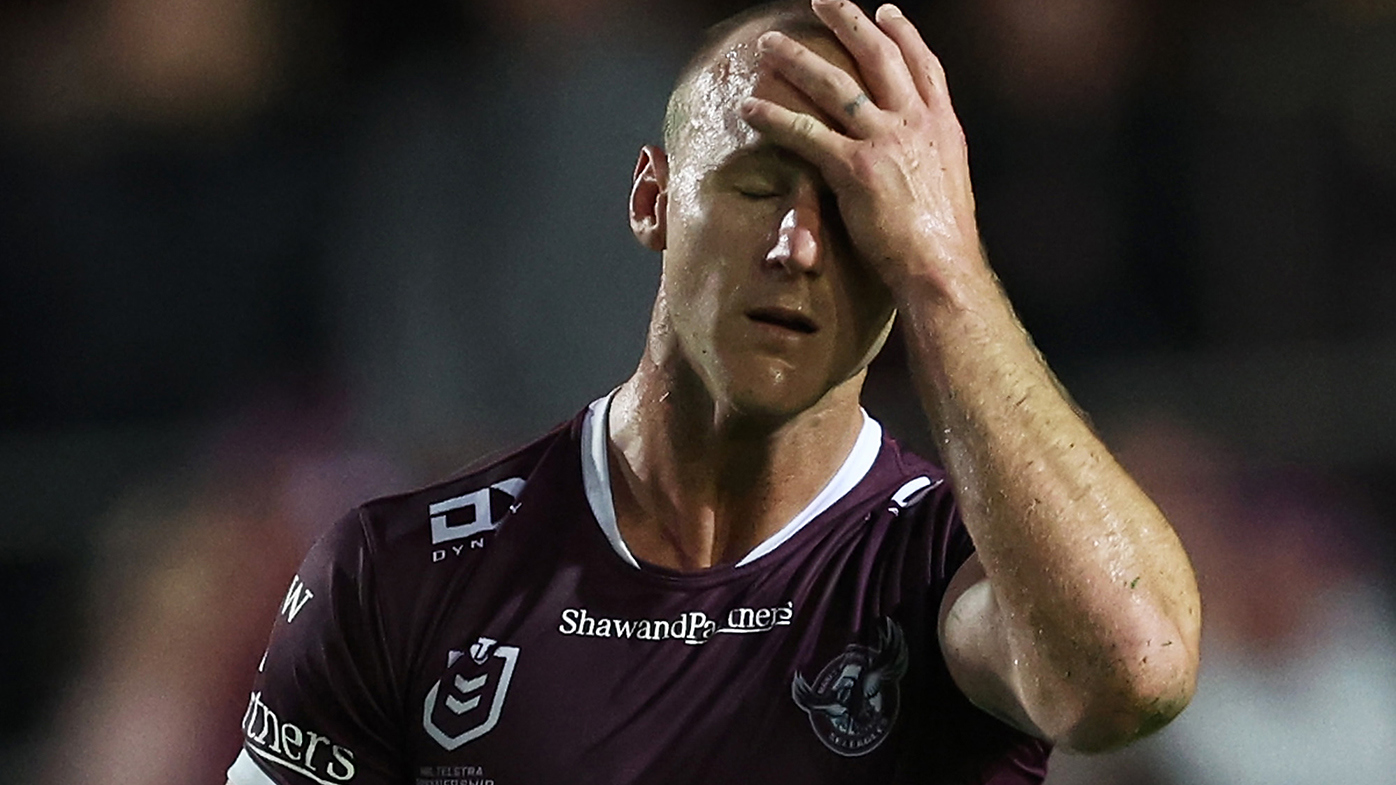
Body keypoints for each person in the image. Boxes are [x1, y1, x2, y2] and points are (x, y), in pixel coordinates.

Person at [225, 1, 1201, 783]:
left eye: (855, 211)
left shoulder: (939, 571)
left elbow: (1131, 676)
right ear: (651, 199)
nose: (798, 246)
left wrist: (944, 266)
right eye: (755, 185)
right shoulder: (399, 572)